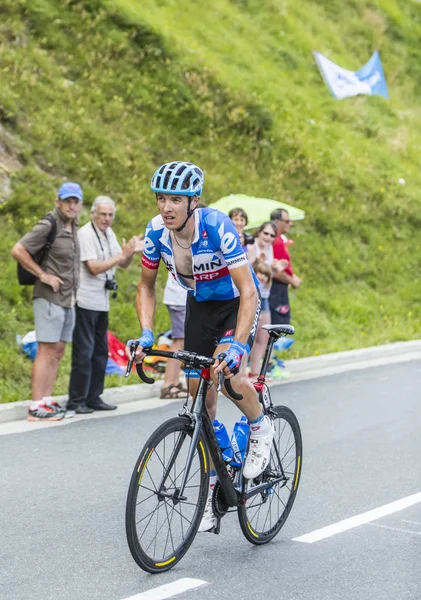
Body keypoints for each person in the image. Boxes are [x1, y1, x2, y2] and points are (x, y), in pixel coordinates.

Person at [127, 161, 273, 532]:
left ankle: (260, 429)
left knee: (228, 376)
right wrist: (146, 334)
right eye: (161, 199)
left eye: (176, 199)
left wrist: (238, 346)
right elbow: (145, 286)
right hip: (199, 307)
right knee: (199, 400)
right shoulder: (156, 232)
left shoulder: (216, 225)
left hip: (235, 303)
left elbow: (249, 291)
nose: (166, 207)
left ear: (193, 201)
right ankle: (214, 482)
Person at [11, 182, 83, 421]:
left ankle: (46, 401)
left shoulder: (74, 226)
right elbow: (18, 250)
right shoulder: (48, 224)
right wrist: (42, 275)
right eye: (68, 201)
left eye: (76, 201)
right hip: (48, 297)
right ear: (58, 202)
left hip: (68, 299)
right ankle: (34, 407)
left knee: (58, 350)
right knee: (46, 350)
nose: (72, 206)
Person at [67, 196, 144, 414]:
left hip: (102, 302)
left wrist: (128, 253)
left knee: (101, 351)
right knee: (83, 352)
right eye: (103, 214)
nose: (107, 219)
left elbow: (123, 263)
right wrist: (121, 256)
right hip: (85, 300)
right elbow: (93, 267)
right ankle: (76, 400)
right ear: (93, 214)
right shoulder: (85, 234)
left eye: (111, 215)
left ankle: (94, 396)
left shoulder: (108, 234)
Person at [248, 221, 288, 378]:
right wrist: (259, 261)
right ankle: (242, 374)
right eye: (266, 233)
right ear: (259, 232)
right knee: (248, 336)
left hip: (264, 295)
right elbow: (248, 269)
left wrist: (276, 269)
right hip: (252, 294)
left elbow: (267, 272)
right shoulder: (252, 247)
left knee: (263, 336)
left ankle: (256, 373)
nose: (268, 238)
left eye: (272, 235)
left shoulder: (270, 248)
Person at [269, 208, 301, 326]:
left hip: (279, 287)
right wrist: (292, 280)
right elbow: (275, 271)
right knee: (280, 324)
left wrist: (293, 276)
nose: (290, 223)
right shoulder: (275, 241)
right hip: (276, 288)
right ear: (276, 221)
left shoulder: (279, 240)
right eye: (287, 221)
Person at [160, 273, 189, 399]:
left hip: (181, 297)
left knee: (182, 341)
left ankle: (175, 382)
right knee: (179, 341)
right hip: (179, 299)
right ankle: (168, 385)